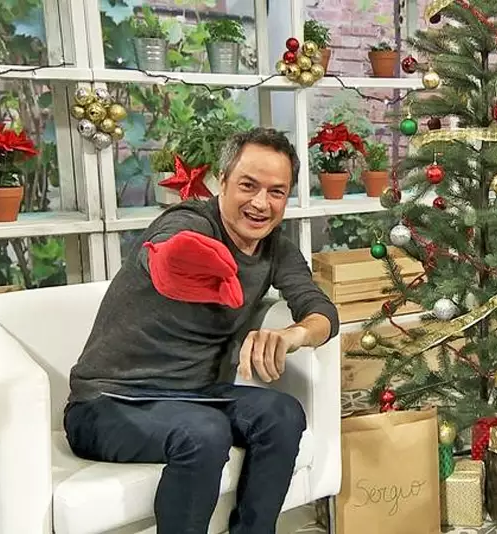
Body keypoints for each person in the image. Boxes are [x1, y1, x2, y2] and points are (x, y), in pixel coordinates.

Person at [63, 127, 340, 534]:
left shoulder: (276, 249)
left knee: (282, 414)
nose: (260, 203)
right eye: (248, 185)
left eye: (276, 192)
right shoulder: (189, 221)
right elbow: (166, 249)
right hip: (107, 402)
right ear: (222, 181)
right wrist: (174, 263)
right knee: (204, 433)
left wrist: (291, 335)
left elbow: (322, 313)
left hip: (195, 396)